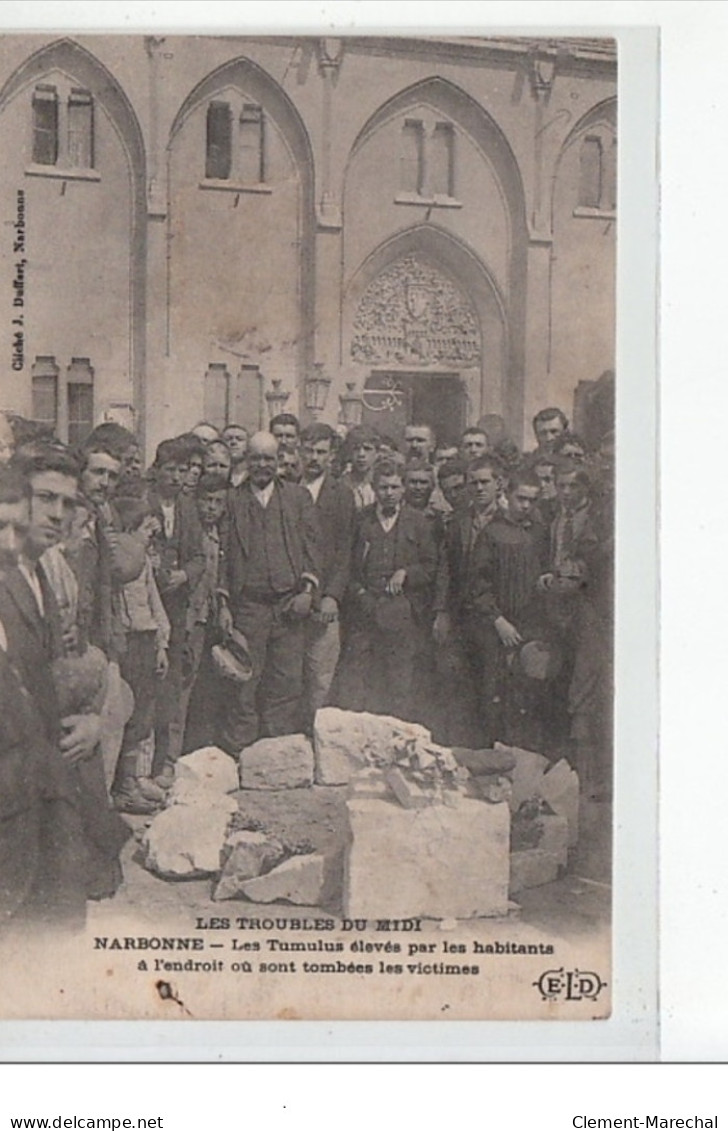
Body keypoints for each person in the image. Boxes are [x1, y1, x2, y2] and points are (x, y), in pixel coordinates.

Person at [1, 448, 129, 925]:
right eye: (45, 498)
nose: (57, 514)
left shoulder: (45, 574)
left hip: (51, 790)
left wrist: (96, 721)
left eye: (68, 503)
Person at [217, 431, 321, 753]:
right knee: (243, 682)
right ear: (246, 460)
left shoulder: (297, 497)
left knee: (286, 681)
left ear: (278, 462)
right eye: (256, 458)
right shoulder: (231, 500)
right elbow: (221, 553)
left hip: (289, 604)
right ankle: (239, 753)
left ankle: (277, 752)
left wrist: (307, 590)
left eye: (268, 458)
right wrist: (223, 603)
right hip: (248, 607)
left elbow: (313, 548)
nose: (262, 465)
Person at [337, 457, 438, 722]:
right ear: (374, 488)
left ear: (403, 488)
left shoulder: (418, 522)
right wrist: (359, 594)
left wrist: (407, 573)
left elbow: (431, 567)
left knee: (399, 682)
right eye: (383, 488)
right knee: (357, 680)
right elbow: (345, 566)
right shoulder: (361, 521)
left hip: (401, 614)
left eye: (395, 487)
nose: (389, 493)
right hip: (365, 612)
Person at [434, 455, 516, 745]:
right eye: (474, 483)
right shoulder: (459, 521)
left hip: (495, 618)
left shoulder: (509, 520)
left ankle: (490, 752)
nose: (479, 488)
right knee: (457, 685)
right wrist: (441, 611)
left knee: (491, 689)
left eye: (485, 482)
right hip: (461, 616)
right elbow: (446, 567)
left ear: (499, 484)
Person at [147, 438, 206, 783]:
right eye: (170, 470)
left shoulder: (187, 507)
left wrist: (184, 575)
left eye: (182, 471)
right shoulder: (144, 501)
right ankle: (140, 766)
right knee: (146, 686)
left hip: (177, 606)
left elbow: (199, 556)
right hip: (147, 606)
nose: (177, 477)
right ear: (157, 470)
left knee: (172, 689)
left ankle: (165, 762)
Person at [112, 497, 170, 815]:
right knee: (127, 713)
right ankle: (122, 784)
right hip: (127, 641)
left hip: (146, 639)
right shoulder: (119, 562)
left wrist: (161, 643)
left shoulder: (144, 562)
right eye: (146, 528)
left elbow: (154, 602)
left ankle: (134, 778)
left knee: (144, 714)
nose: (152, 534)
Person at [299, 424, 356, 719]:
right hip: (291, 598)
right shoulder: (287, 489)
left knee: (321, 678)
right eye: (308, 451)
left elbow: (346, 550)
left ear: (332, 456)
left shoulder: (342, 494)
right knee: (287, 678)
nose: (313, 458)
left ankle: (317, 738)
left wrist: (333, 595)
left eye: (321, 452)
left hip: (325, 600)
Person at [183, 473, 229, 753]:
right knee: (184, 683)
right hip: (191, 617)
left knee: (207, 685)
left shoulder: (219, 535)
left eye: (218, 502)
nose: (211, 507)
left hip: (212, 616)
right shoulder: (191, 531)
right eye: (207, 501)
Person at [339, 424, 378, 510]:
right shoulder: (341, 485)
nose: (361, 454)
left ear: (377, 453)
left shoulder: (381, 484)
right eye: (356, 449)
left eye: (367, 449)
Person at [223, 423, 249, 488]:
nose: (233, 442)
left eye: (239, 439)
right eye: (228, 439)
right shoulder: (218, 476)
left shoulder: (254, 476)